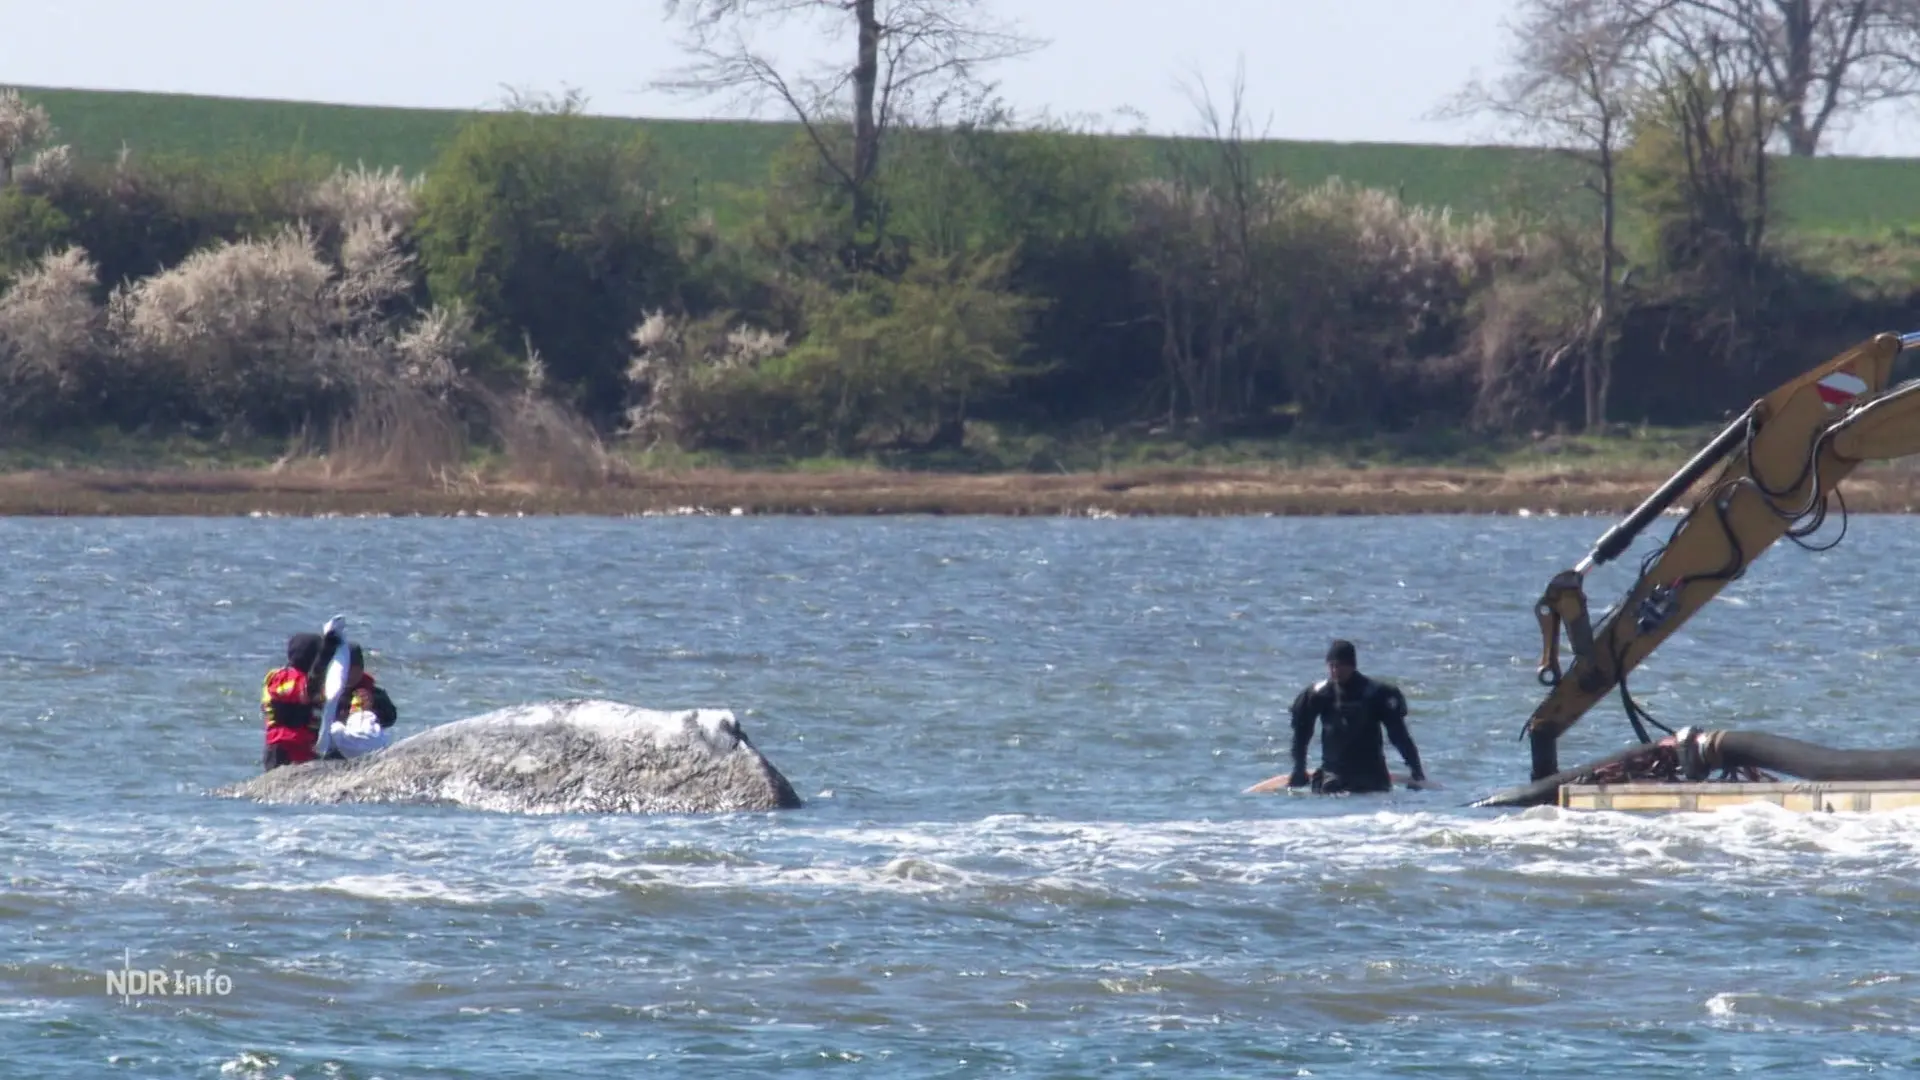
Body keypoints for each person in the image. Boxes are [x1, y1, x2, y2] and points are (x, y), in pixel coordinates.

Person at [1287, 639, 1427, 795]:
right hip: (1333, 775)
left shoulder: (1377, 693)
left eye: (1339, 666)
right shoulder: (1317, 694)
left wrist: (1415, 769)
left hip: (1372, 775)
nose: (1335, 671)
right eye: (1331, 666)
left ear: (1352, 665)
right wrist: (1299, 768)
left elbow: (1398, 735)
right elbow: (1302, 732)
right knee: (1331, 791)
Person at [261, 631, 330, 770]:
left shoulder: (309, 680)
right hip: (283, 745)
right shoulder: (284, 677)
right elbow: (304, 693)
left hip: (305, 746)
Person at [321, 643, 398, 761]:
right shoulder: (328, 691)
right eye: (345, 670)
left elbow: (390, 717)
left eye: (353, 671)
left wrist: (371, 709)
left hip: (359, 748)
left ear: (361, 669)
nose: (348, 676)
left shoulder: (373, 693)